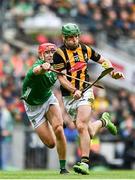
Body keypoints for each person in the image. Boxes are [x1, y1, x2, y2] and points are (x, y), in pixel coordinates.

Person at [53, 23, 124, 175]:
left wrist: (112, 73)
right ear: (64, 38)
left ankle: (84, 163)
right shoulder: (59, 54)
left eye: (76, 36)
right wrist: (73, 90)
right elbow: (61, 77)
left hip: (86, 91)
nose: (75, 40)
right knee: (87, 131)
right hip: (69, 96)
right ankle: (104, 121)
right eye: (71, 37)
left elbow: (103, 60)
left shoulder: (85, 49)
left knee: (80, 126)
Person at [21, 43, 69, 174]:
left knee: (59, 129)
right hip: (33, 107)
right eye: (46, 53)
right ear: (41, 55)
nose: (50, 55)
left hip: (48, 99)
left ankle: (63, 168)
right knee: (51, 144)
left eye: (52, 52)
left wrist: (75, 90)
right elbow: (38, 71)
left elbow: (64, 80)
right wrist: (44, 67)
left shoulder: (57, 66)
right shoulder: (36, 67)